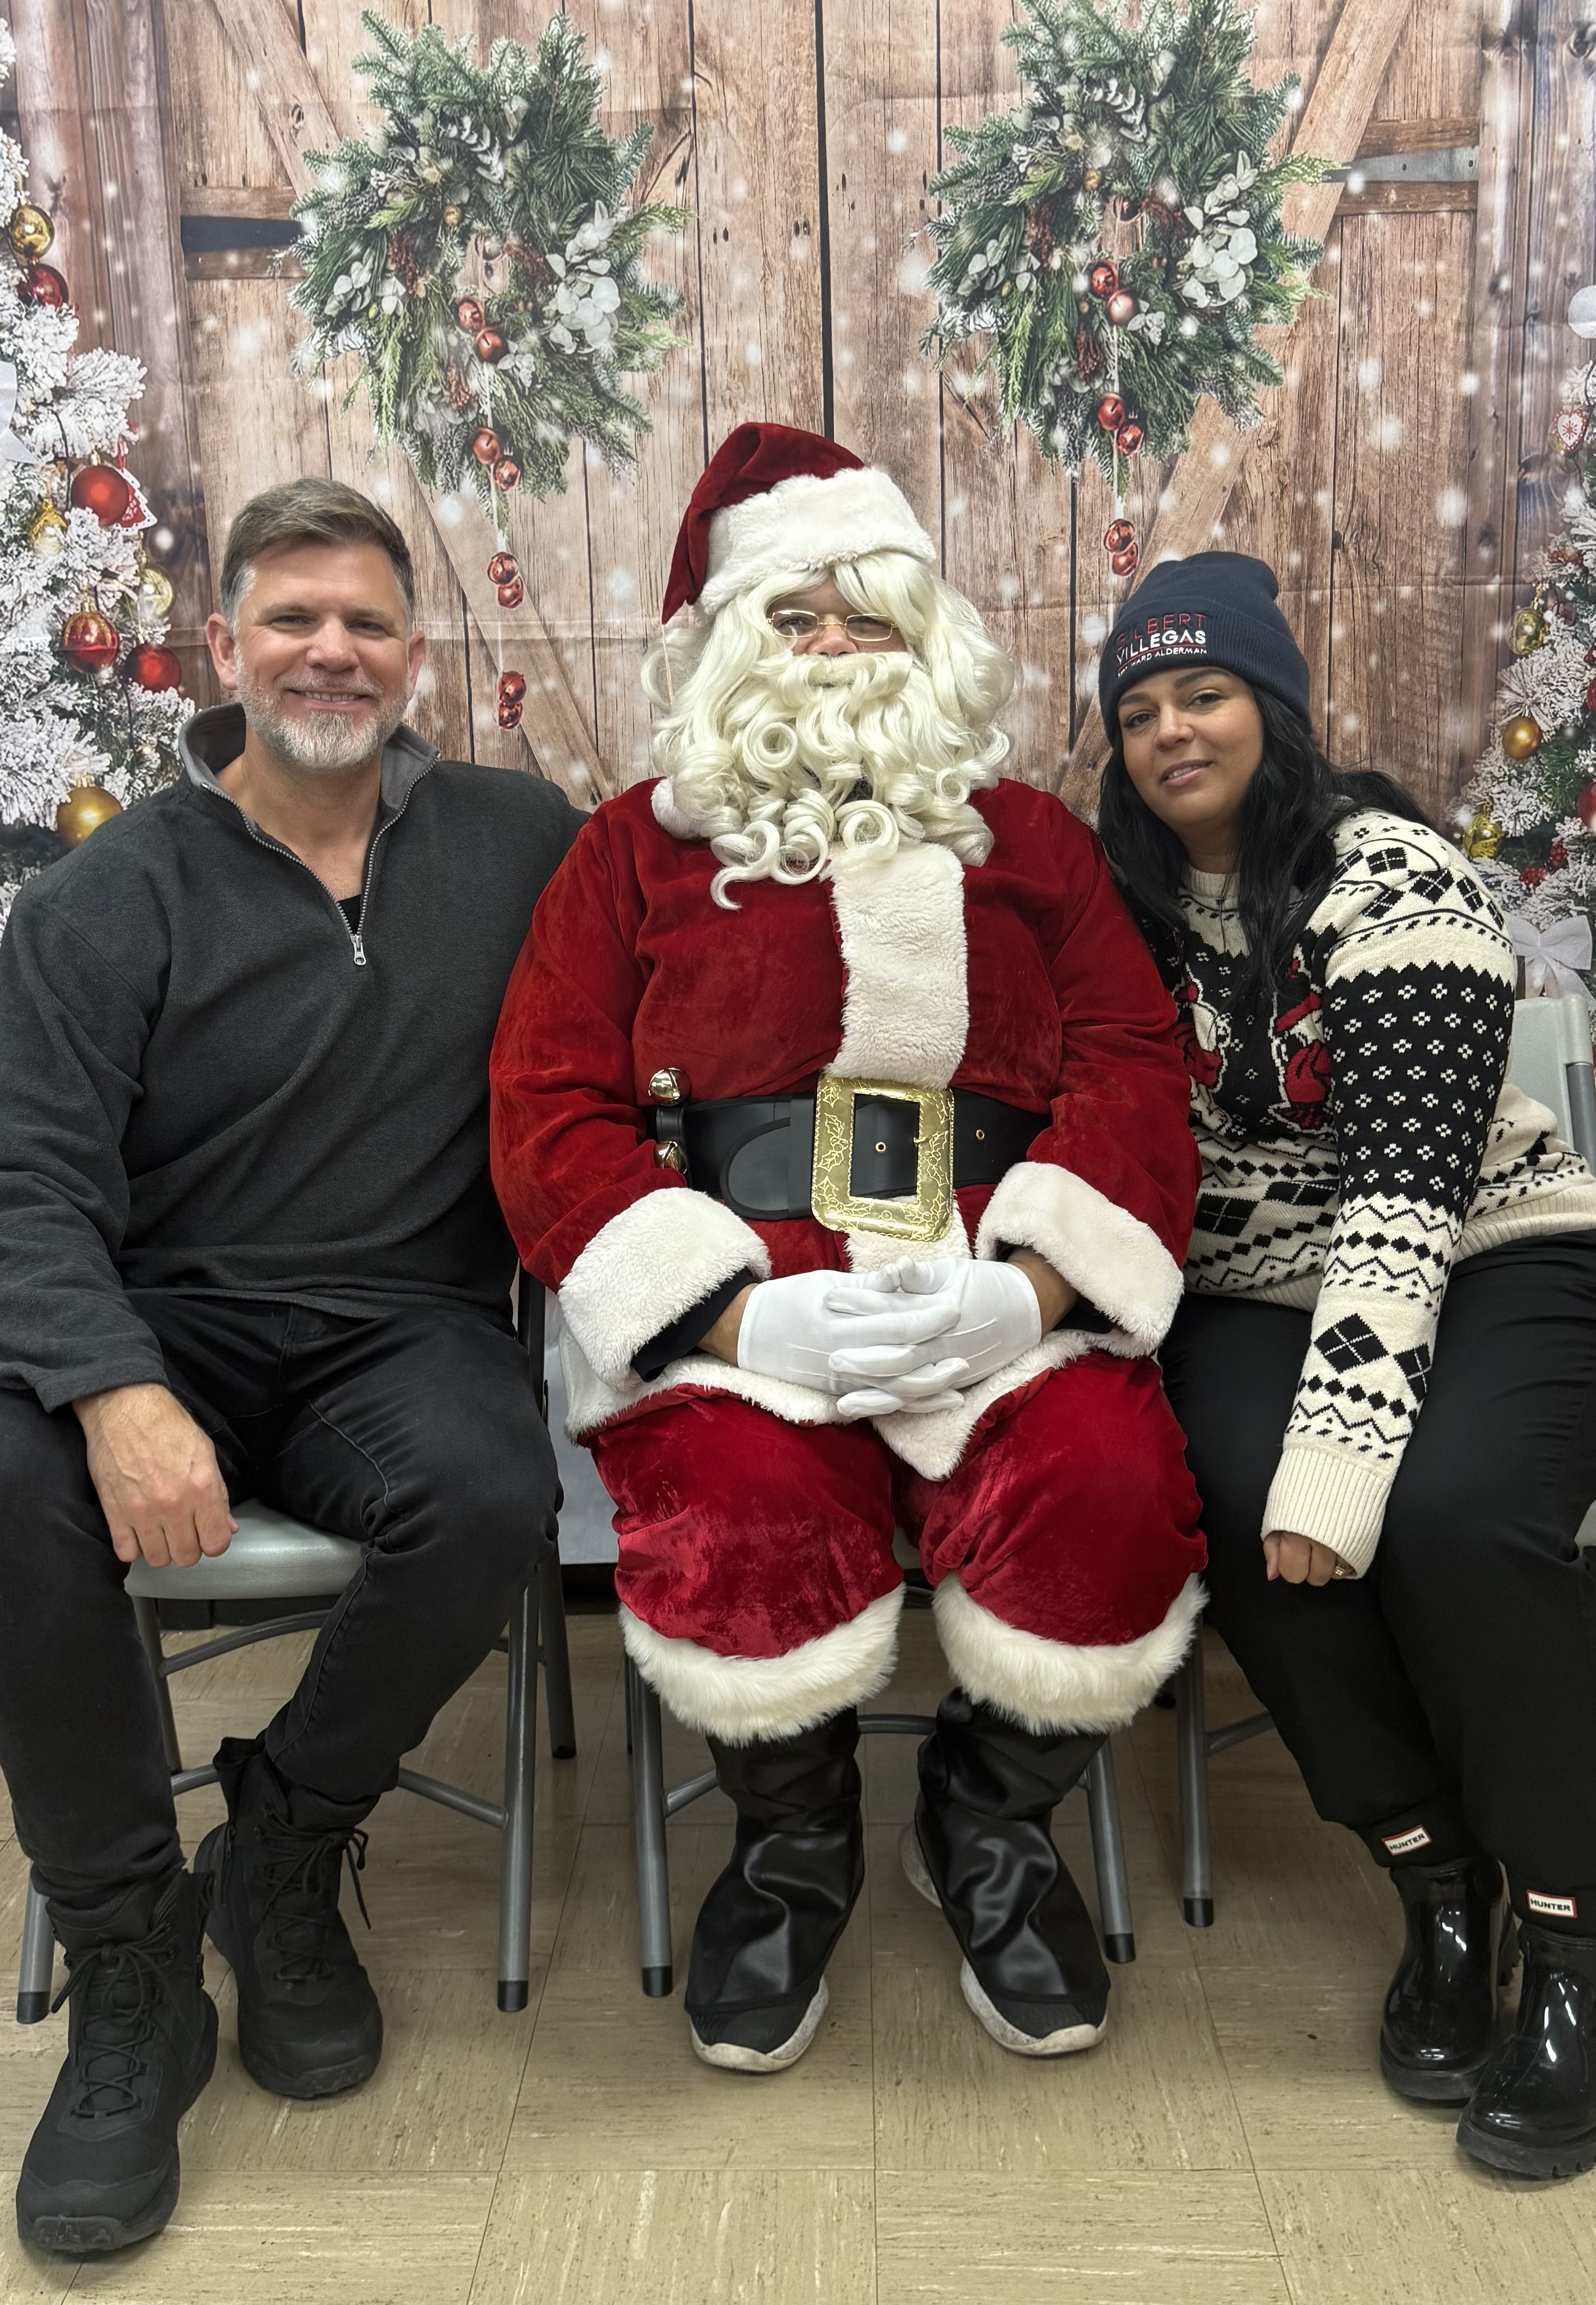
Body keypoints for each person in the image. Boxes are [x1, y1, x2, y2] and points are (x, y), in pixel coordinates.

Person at [490, 422, 1204, 2075]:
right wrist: (733, 1325)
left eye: (860, 618)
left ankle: (988, 1813)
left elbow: (1129, 1063)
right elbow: (547, 1104)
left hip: (996, 1283)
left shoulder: (1029, 841)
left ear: (922, 636)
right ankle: (792, 1842)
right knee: (739, 1522)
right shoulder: (628, 853)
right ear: (727, 647)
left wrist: (1024, 1288)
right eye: (788, 620)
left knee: (1102, 1493)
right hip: (741, 1305)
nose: (825, 651)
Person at [0, 478, 580, 2257]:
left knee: (493, 1488)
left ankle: (285, 1841)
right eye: (292, 618)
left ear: (411, 655)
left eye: (366, 621)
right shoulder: (106, 896)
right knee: (3, 1484)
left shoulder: (522, 841)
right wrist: (115, 1392)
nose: (330, 650)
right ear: (223, 650)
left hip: (404, 1325)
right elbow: (10, 1182)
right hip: (176, 1328)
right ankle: (133, 1961)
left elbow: (679, 954)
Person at [1097, 548, 1596, 2181]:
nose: (1169, 731)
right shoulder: (1117, 908)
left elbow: (1401, 1203)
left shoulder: (1390, 873)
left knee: (1453, 1514)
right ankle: (1433, 1882)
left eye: (1200, 693)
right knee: (1214, 1491)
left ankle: (1583, 1942)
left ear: (1269, 702)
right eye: (1134, 709)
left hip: (1498, 1252)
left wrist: (1341, 1465)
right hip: (1248, 1286)